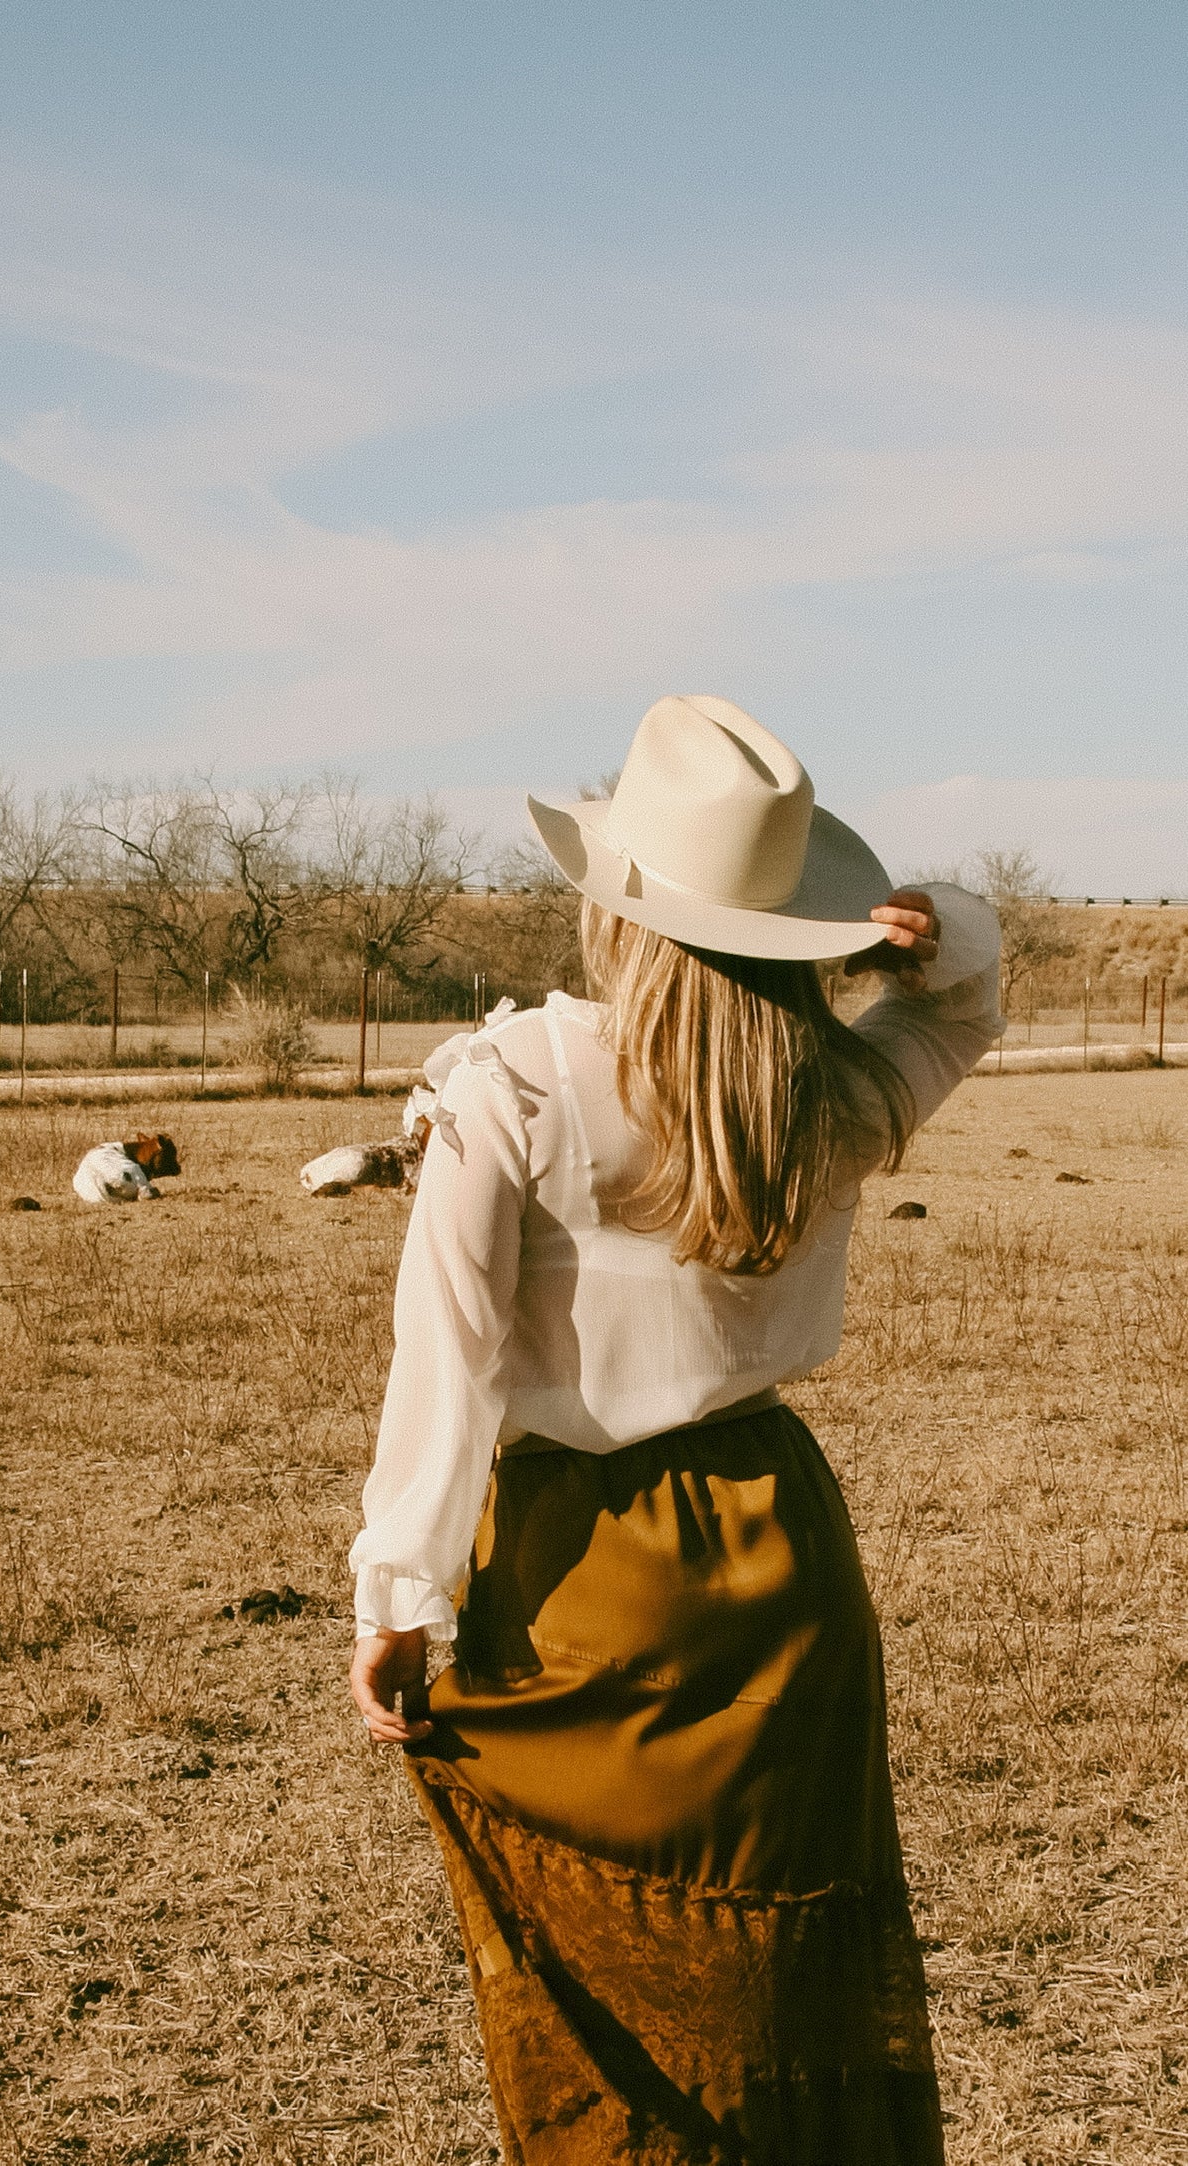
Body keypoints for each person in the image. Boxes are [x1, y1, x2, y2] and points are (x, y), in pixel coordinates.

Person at [349, 696, 1001, 2165]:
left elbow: (441, 1361)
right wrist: (931, 930)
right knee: (784, 1976)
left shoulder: (506, 1084)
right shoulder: (838, 1091)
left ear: (617, 902)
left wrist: (402, 1592)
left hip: (580, 1568)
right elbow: (966, 999)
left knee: (608, 1975)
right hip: (779, 1557)